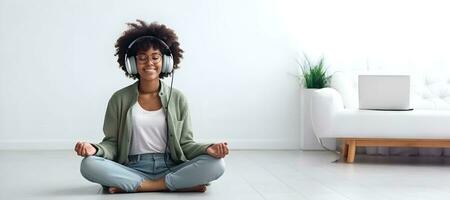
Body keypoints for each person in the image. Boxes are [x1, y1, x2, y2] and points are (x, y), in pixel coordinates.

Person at [74, 20, 229, 193]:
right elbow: (112, 144)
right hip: (132, 167)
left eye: (155, 57)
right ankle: (174, 184)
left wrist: (209, 148)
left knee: (217, 164)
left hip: (171, 166)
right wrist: (94, 149)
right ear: (132, 63)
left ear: (166, 61)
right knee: (88, 164)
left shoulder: (178, 98)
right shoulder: (119, 99)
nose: (149, 63)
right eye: (142, 58)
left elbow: (185, 144)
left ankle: (136, 186)